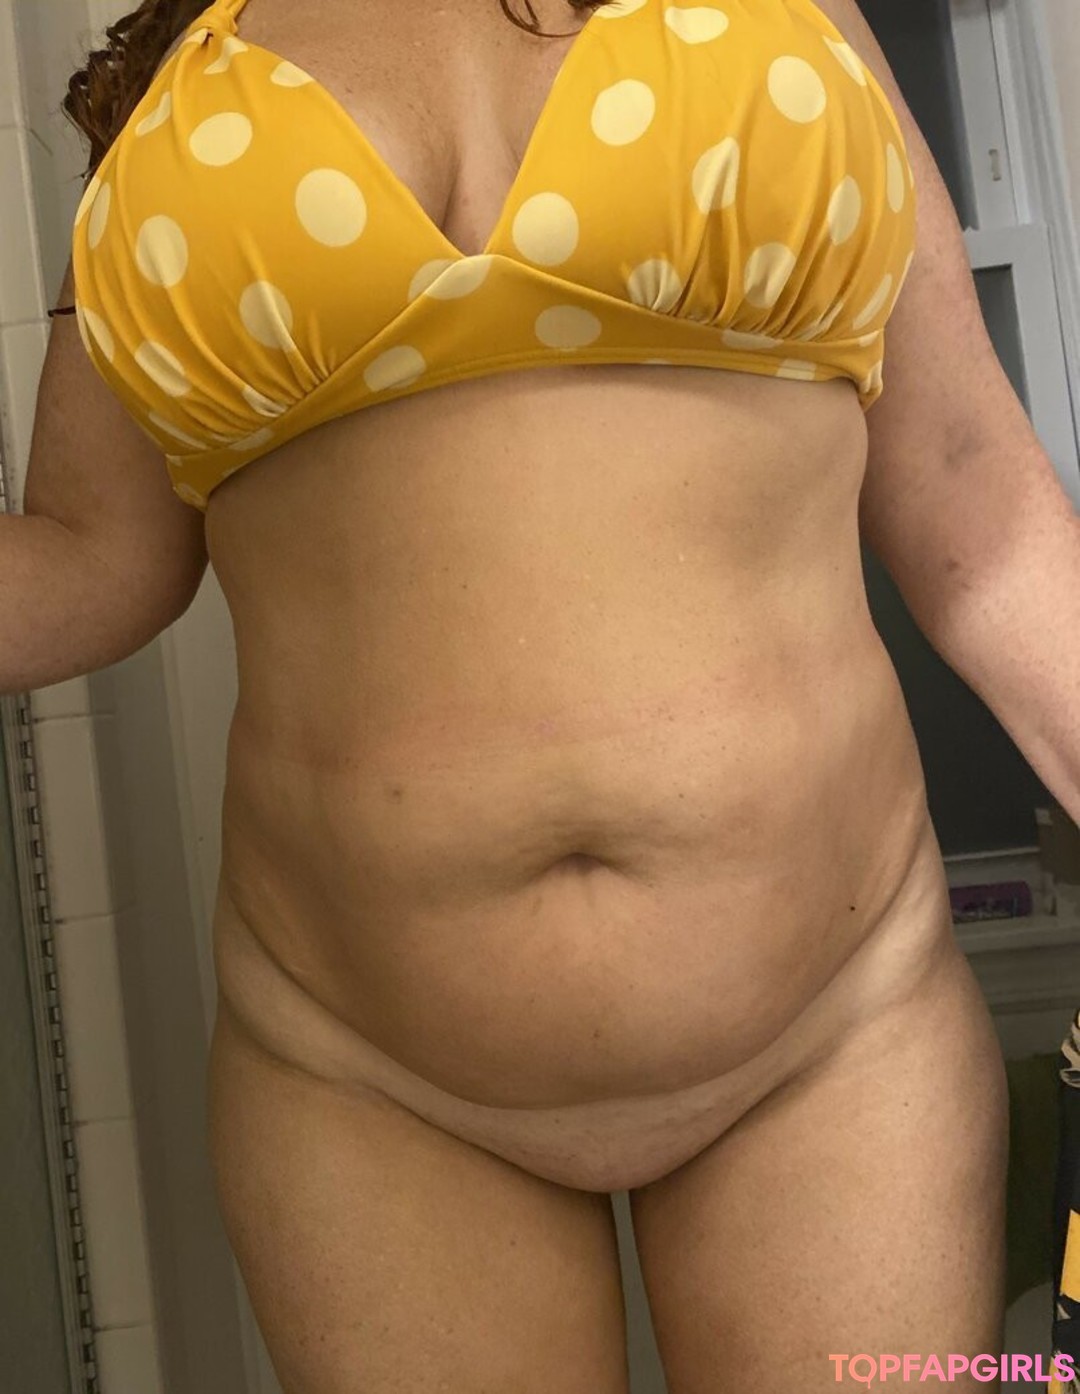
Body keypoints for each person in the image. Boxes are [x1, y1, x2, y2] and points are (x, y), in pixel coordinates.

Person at [23, 0, 1078, 1387]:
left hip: (838, 1024)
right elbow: (90, 556)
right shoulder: (179, 87)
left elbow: (973, 500)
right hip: (359, 1067)